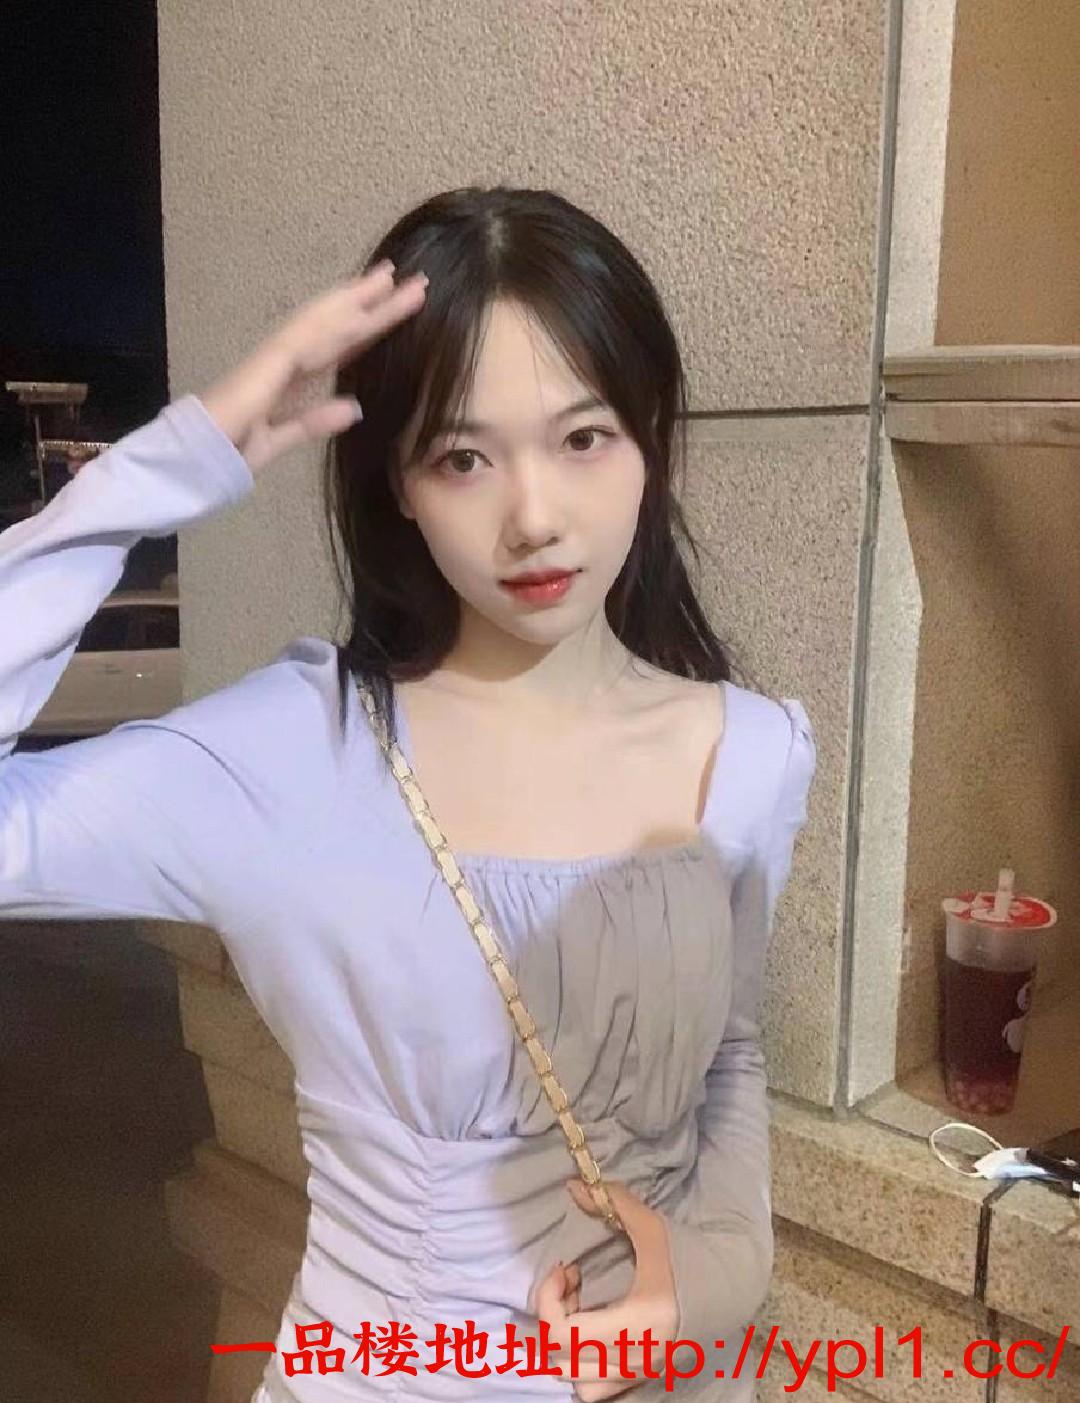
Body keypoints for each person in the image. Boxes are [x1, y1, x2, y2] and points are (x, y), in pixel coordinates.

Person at [0, 185, 816, 1402]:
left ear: (650, 435)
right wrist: (170, 468)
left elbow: (725, 1057)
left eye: (584, 438)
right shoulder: (293, 755)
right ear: (397, 481)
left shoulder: (751, 752)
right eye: (463, 457)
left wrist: (721, 1275)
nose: (534, 517)